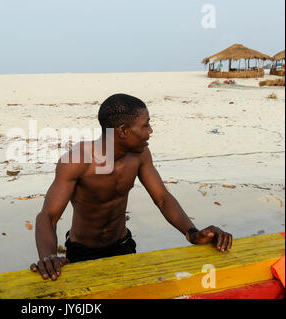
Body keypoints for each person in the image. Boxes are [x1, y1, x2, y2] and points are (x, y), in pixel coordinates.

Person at [30, 93, 233, 281]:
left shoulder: (140, 155)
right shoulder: (79, 160)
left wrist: (192, 233)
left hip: (122, 246)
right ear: (123, 131)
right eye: (145, 125)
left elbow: (162, 198)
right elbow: (47, 216)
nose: (150, 131)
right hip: (82, 251)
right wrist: (49, 256)